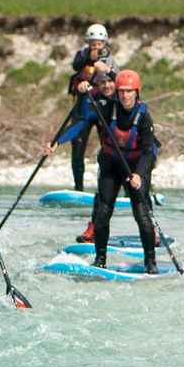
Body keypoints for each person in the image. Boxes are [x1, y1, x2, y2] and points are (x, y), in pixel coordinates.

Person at [46, 69, 159, 273]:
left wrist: (139, 175)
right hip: (110, 165)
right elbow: (81, 122)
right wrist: (57, 142)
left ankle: (150, 262)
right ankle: (100, 259)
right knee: (102, 212)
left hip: (135, 168)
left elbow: (150, 151)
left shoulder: (144, 116)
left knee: (141, 215)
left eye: (129, 91)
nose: (124, 95)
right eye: (121, 91)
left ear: (137, 92)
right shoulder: (106, 108)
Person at [70, 68, 118, 242]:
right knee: (101, 199)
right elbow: (80, 120)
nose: (107, 86)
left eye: (109, 82)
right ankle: (93, 229)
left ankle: (151, 229)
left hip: (130, 159)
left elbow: (123, 85)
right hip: (109, 159)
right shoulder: (96, 104)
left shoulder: (125, 98)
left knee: (139, 200)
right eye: (102, 82)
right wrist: (83, 94)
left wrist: (110, 71)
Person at [67, 23, 115, 195]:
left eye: (99, 43)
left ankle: (107, 186)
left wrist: (107, 69)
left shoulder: (109, 59)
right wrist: (90, 56)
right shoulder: (82, 56)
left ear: (104, 43)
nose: (96, 46)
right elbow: (76, 65)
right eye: (93, 43)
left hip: (102, 108)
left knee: (109, 147)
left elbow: (116, 80)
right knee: (78, 146)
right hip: (82, 107)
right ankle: (78, 187)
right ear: (88, 43)